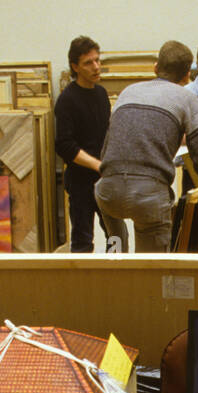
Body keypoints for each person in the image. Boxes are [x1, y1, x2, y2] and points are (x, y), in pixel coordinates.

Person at [95, 40, 198, 252]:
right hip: (148, 198)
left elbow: (108, 146)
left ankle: (116, 254)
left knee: (117, 251)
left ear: (155, 67)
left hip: (108, 193)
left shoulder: (128, 92)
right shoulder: (186, 97)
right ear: (186, 76)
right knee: (153, 270)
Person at [54, 35, 127, 253]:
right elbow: (65, 145)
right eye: (88, 63)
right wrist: (97, 165)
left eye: (97, 60)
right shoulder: (67, 100)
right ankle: (83, 286)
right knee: (83, 241)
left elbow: (107, 133)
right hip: (80, 183)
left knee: (116, 237)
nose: (96, 67)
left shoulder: (101, 94)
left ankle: (115, 278)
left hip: (104, 179)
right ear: (75, 67)